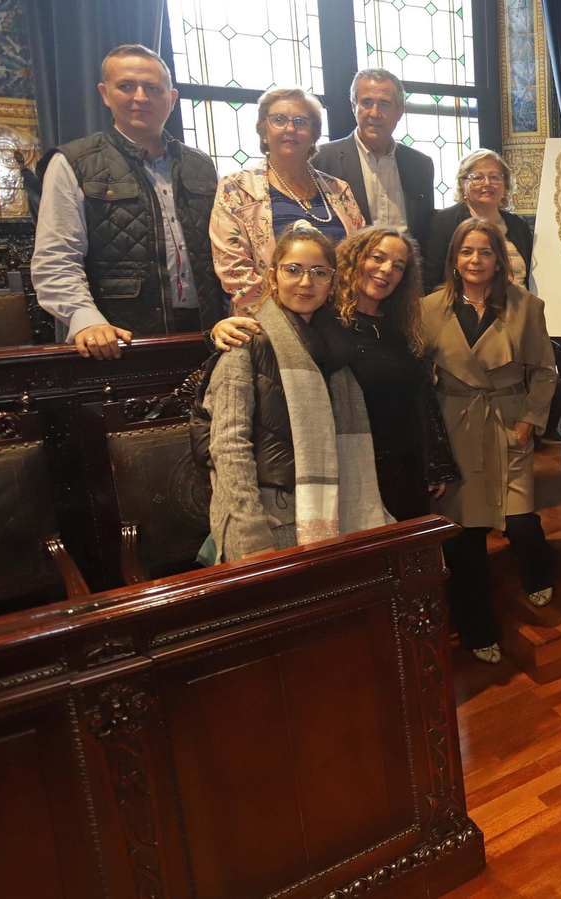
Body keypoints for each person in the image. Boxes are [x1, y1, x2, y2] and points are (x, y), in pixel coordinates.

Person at [208, 226, 462, 521]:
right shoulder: (321, 319)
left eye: (398, 266)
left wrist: (434, 461)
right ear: (352, 261)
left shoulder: (402, 324)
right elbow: (272, 341)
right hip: (352, 470)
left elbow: (419, 397)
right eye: (377, 258)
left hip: (407, 466)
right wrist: (216, 330)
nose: (386, 270)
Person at [194, 226, 390, 562]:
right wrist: (252, 533)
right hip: (268, 519)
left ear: (332, 281)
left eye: (318, 273)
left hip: (336, 509)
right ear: (273, 276)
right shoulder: (246, 341)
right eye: (293, 270)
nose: (305, 282)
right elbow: (228, 447)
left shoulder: (338, 346)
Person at [31, 44, 227, 358]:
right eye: (126, 86)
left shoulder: (200, 164)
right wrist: (86, 321)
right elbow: (56, 260)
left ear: (171, 98)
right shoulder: (74, 162)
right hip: (118, 338)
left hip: (208, 333)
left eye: (152, 87)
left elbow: (225, 251)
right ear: (105, 94)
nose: (140, 97)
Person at [422, 218, 557, 664]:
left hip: (507, 420)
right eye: (466, 252)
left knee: (520, 522)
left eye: (484, 251)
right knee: (466, 537)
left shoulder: (526, 306)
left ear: (499, 258)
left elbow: (543, 371)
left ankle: (538, 570)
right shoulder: (427, 309)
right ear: (453, 260)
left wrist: (530, 421)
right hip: (455, 425)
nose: (475, 260)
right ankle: (479, 628)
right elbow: (420, 380)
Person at [210, 88, 367, 317]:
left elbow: (360, 255)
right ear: (264, 129)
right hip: (268, 324)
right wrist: (281, 326)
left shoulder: (339, 189)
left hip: (340, 321)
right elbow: (235, 270)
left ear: (314, 133)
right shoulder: (236, 188)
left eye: (301, 122)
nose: (290, 129)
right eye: (279, 120)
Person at [312, 69, 436, 241]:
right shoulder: (322, 160)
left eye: (384, 104)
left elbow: (426, 232)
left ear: (400, 111)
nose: (375, 113)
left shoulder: (420, 165)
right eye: (367, 102)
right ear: (354, 107)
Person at [423, 149, 533, 292]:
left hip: (520, 308)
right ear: (463, 183)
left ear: (505, 183)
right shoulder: (444, 222)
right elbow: (432, 279)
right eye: (478, 177)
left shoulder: (518, 225)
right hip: (464, 309)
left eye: (494, 177)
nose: (487, 183)